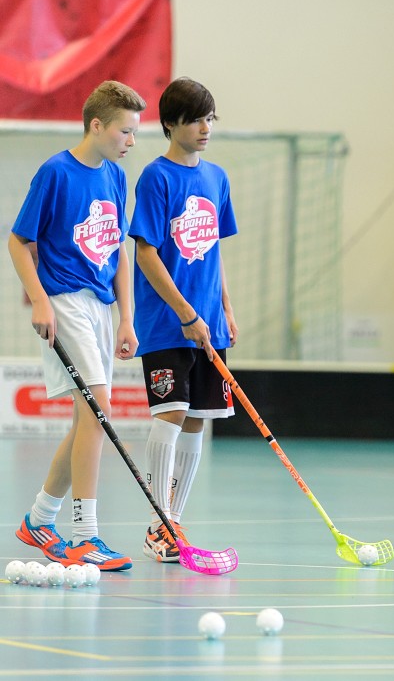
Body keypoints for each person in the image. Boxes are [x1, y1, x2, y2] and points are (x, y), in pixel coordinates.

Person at [8, 80, 146, 571]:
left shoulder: (116, 176)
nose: (132, 141)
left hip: (101, 307)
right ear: (97, 125)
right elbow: (18, 241)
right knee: (99, 411)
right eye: (125, 131)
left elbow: (119, 252)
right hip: (64, 301)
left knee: (89, 417)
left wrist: (126, 317)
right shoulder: (56, 172)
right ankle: (85, 536)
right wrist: (40, 302)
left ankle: (39, 518)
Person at [129, 77, 238, 564]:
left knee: (197, 421)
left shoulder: (217, 178)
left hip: (208, 322)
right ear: (170, 124)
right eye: (195, 119)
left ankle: (173, 521)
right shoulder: (156, 177)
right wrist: (186, 313)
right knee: (171, 414)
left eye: (210, 118)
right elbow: (146, 254)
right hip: (167, 321)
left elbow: (213, 253)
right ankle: (160, 523)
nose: (205, 127)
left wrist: (224, 309)